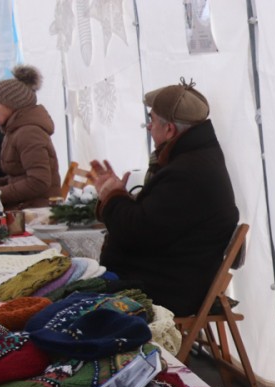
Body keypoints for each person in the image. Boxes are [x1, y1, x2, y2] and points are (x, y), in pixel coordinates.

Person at [88, 78, 238, 316]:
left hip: (165, 289)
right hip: (170, 279)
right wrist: (115, 195)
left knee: (67, 295)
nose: (149, 127)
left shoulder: (187, 172)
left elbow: (135, 233)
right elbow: (154, 224)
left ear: (169, 129)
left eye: (152, 120)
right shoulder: (194, 159)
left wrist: (113, 196)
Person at [0, 65, 61, 208]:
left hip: (35, 212)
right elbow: (18, 177)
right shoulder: (15, 130)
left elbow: (39, 181)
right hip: (24, 208)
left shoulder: (29, 133)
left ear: (13, 104)